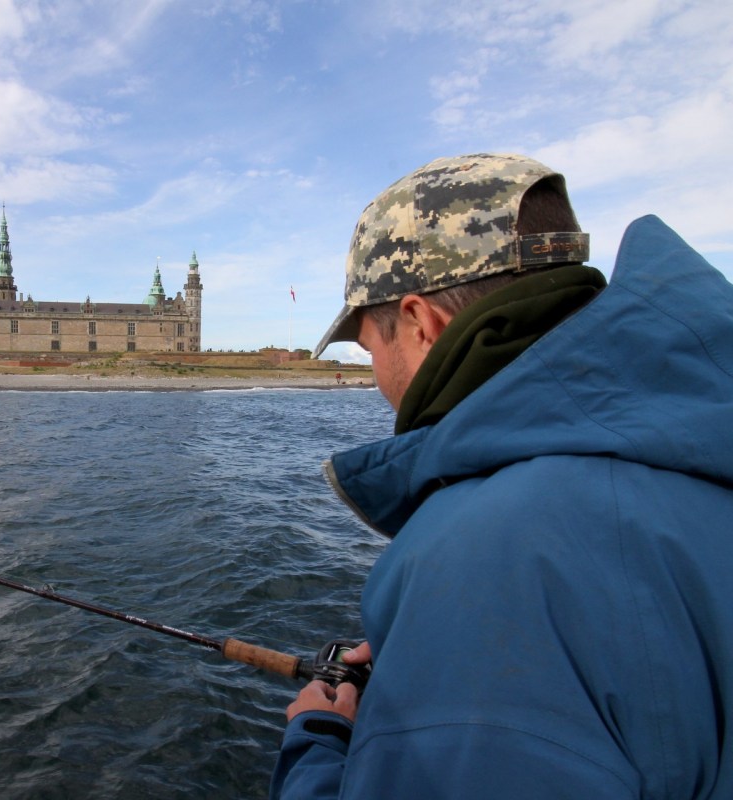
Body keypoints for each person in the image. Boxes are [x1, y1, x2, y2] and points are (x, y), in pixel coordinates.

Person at [271, 153, 733, 798]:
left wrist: (319, 740)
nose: (377, 378)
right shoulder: (700, 451)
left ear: (420, 323)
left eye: (371, 348)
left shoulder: (486, 556)